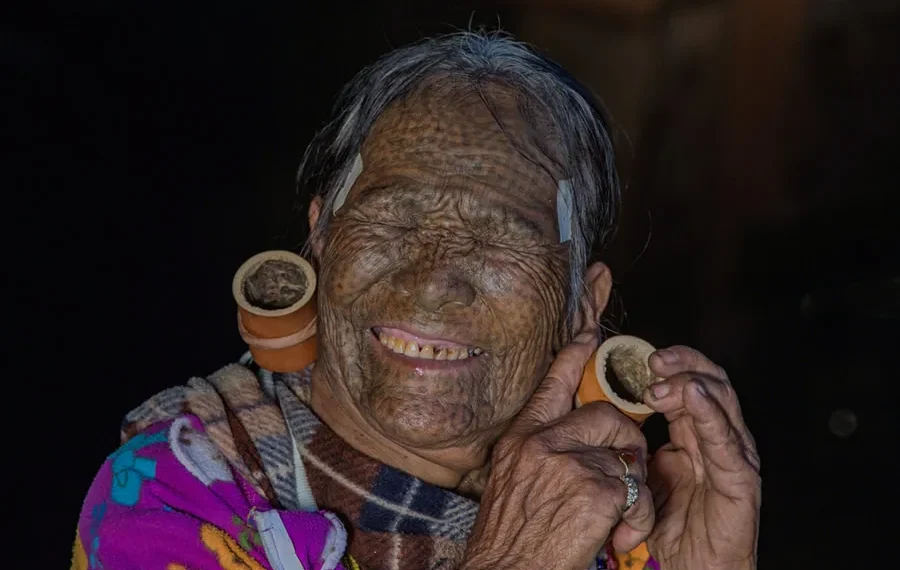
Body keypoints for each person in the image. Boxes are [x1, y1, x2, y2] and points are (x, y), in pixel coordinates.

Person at [72, 31, 760, 570]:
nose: (433, 280)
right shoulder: (176, 492)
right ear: (322, 241)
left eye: (497, 243)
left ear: (582, 305)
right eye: (395, 222)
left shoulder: (611, 510)